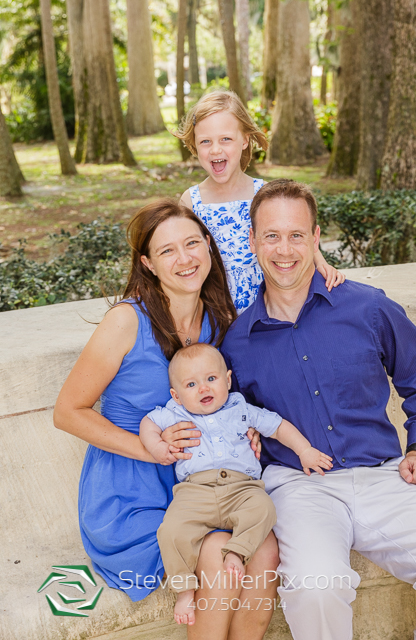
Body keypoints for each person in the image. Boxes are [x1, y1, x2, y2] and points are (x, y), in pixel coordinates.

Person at [221, 178, 416, 640]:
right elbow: (231, 415)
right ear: (253, 241)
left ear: (316, 239)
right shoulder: (237, 342)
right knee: (316, 589)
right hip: (299, 486)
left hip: (384, 476)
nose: (284, 249)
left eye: (297, 235)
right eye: (271, 236)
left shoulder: (368, 308)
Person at [54, 199, 280, 639]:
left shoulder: (218, 319)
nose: (185, 258)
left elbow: (223, 398)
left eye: (193, 243)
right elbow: (67, 412)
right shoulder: (126, 321)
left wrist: (243, 428)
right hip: (133, 487)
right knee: (217, 551)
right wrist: (147, 447)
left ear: (209, 247)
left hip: (206, 480)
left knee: (267, 550)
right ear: (148, 263)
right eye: (167, 251)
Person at [140, 342, 332, 626]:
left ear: (227, 380)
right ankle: (184, 590)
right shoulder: (175, 413)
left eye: (211, 379)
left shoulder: (241, 408)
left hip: (242, 489)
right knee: (171, 530)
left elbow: (278, 426)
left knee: (264, 509)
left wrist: (304, 451)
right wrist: (156, 446)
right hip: (195, 491)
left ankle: (237, 552)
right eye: (191, 384)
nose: (204, 388)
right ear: (176, 395)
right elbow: (148, 423)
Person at [176, 89, 344, 311]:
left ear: (245, 140)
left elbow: (295, 232)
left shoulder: (263, 193)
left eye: (226, 139)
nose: (216, 149)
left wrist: (321, 263)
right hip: (215, 308)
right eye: (205, 141)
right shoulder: (191, 201)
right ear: (195, 145)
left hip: (265, 306)